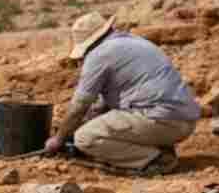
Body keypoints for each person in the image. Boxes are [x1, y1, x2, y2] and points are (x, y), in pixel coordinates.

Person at [45, 12, 200, 175]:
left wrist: (58, 139)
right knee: (98, 124)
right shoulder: (132, 42)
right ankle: (156, 149)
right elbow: (103, 106)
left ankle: (156, 159)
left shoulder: (99, 54)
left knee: (85, 138)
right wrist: (82, 122)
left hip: (161, 120)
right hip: (183, 121)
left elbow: (80, 105)